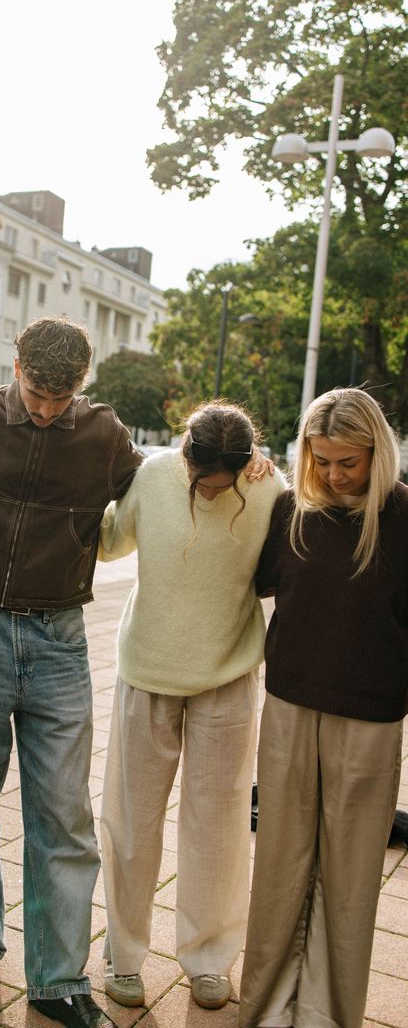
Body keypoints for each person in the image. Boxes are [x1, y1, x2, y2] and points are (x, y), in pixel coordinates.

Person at [0, 316, 141, 1028]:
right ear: (15, 365)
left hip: (60, 641)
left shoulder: (105, 436)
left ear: (84, 383)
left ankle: (58, 979)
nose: (46, 409)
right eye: (36, 391)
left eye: (62, 396)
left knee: (63, 815)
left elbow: (160, 487)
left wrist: (248, 460)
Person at [98, 402, 285, 1012]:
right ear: (185, 456)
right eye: (202, 481)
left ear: (244, 465)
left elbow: (273, 572)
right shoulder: (154, 475)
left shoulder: (266, 488)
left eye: (221, 484)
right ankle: (124, 956)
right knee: (131, 820)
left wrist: (269, 477)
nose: (210, 492)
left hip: (227, 676)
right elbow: (107, 543)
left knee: (219, 826)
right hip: (148, 669)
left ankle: (208, 959)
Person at [239, 387, 408, 1028]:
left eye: (348, 462)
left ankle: (330, 1015)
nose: (334, 475)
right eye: (322, 461)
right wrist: (252, 475)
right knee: (280, 863)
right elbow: (251, 581)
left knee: (352, 876)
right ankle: (267, 1007)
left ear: (376, 453)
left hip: (370, 718)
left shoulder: (404, 518)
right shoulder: (290, 509)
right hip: (288, 707)